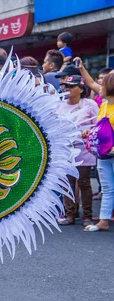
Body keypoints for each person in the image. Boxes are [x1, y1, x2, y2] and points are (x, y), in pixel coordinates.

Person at [56, 75, 98, 226]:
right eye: (65, 86)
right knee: (67, 183)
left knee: (84, 182)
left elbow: (98, 125)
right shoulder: (59, 105)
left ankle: (87, 216)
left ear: (80, 89)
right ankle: (70, 215)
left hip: (83, 149)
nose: (67, 89)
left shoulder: (90, 104)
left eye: (71, 86)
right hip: (65, 149)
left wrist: (89, 132)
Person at [84, 73, 114, 232]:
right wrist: (90, 132)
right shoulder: (103, 105)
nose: (98, 87)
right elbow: (100, 128)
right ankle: (104, 221)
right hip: (104, 154)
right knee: (108, 188)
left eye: (102, 84)